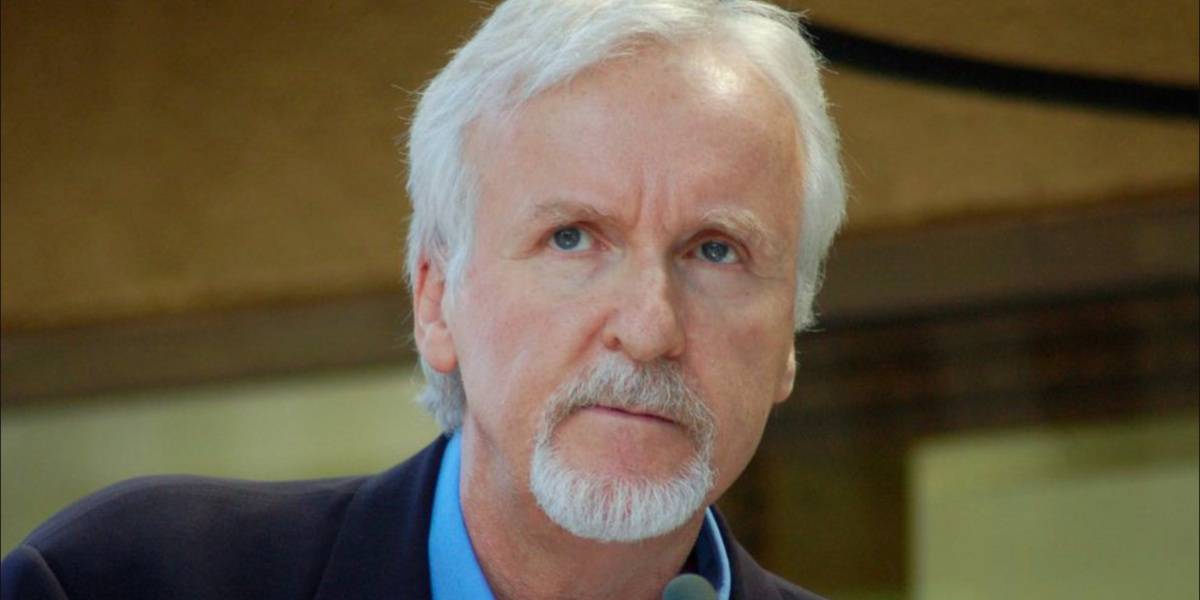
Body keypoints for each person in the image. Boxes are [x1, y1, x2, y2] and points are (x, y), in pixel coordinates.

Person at [1, 0, 845, 598]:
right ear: (437, 302)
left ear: (789, 343)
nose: (650, 326)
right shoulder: (127, 578)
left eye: (716, 251)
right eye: (573, 238)